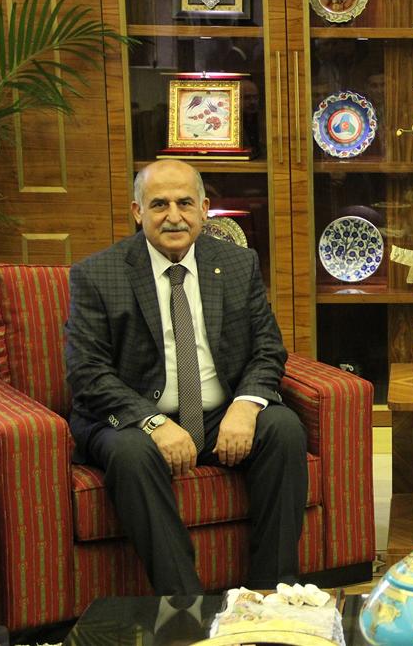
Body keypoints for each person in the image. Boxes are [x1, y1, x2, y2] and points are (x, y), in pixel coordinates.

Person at [65, 159, 307, 594]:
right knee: (132, 454)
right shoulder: (98, 274)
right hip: (132, 421)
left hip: (218, 414)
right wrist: (153, 423)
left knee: (283, 427)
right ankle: (185, 607)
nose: (173, 216)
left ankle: (270, 594)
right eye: (159, 204)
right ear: (138, 211)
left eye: (185, 203)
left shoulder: (238, 264)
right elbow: (88, 373)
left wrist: (246, 405)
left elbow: (268, 348)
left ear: (204, 209)